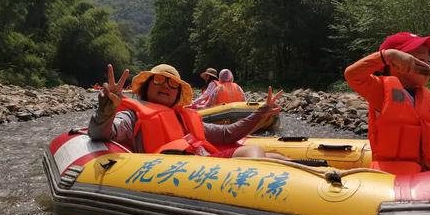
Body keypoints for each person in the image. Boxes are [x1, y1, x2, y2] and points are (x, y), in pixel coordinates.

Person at [344, 32, 430, 173]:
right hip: (392, 178)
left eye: (428, 61)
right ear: (396, 63)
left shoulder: (424, 97)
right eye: (421, 60)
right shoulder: (380, 90)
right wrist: (388, 55)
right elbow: (352, 75)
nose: (428, 66)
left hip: (426, 175)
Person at [88, 63, 287, 159]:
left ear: (177, 94)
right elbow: (102, 133)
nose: (166, 86)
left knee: (276, 158)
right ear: (147, 85)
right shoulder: (132, 115)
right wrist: (106, 110)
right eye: (159, 80)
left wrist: (261, 112)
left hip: (200, 166)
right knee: (253, 152)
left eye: (172, 84)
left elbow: (228, 134)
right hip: (167, 172)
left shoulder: (182, 117)